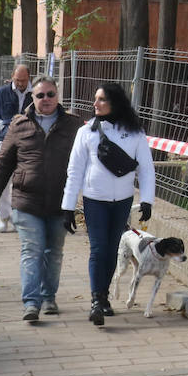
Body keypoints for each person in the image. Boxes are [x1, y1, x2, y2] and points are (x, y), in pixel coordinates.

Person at [0, 76, 83, 321]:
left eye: (50, 94)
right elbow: (3, 163)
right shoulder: (20, 125)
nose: (46, 99)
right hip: (26, 202)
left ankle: (49, 297)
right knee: (32, 250)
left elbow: (87, 164)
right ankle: (31, 303)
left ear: (58, 97)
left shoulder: (74, 126)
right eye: (40, 95)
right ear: (32, 98)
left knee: (54, 252)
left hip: (61, 203)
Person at [62, 82, 155, 326]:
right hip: (95, 200)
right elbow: (74, 171)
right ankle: (96, 299)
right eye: (95, 99)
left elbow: (146, 169)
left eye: (101, 99)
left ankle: (103, 297)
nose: (95, 104)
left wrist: (147, 199)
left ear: (115, 102)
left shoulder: (135, 133)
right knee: (99, 249)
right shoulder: (86, 133)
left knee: (113, 248)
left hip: (122, 201)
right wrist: (67, 206)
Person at [0, 64, 34, 233]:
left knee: (23, 182)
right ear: (12, 77)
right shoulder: (1, 94)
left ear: (29, 78)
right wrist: (6, 128)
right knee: (2, 180)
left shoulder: (36, 95)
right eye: (18, 80)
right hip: (5, 143)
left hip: (29, 145)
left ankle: (19, 217)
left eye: (24, 80)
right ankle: (3, 216)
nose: (20, 83)